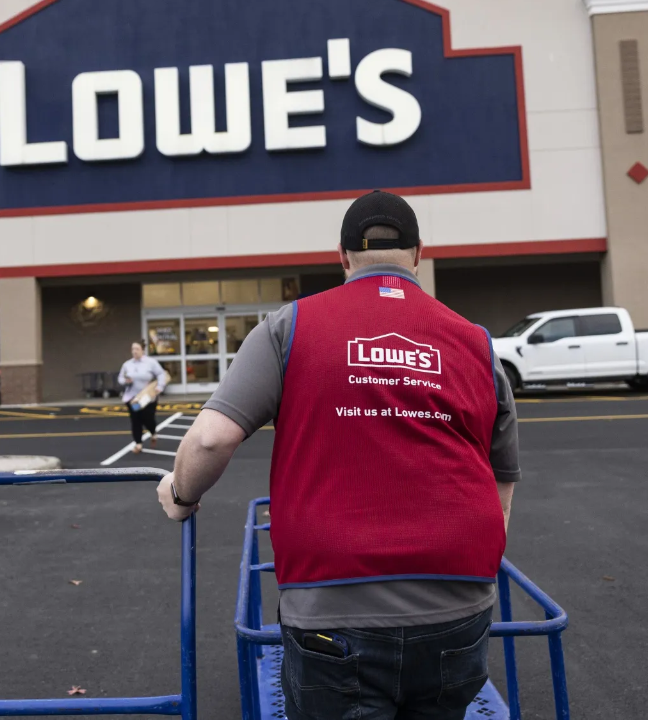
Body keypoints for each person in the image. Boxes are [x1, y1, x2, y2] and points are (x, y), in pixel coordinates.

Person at [155, 191, 520, 720]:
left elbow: (212, 439)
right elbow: (500, 480)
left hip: (333, 607)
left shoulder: (290, 327)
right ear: (419, 254)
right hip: (458, 606)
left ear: (343, 257)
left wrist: (181, 492)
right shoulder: (476, 343)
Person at [118, 340, 168, 454]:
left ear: (142, 350)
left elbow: (161, 374)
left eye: (137, 349)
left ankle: (153, 432)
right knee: (136, 420)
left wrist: (160, 386)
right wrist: (125, 381)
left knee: (148, 419)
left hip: (147, 397)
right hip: (133, 398)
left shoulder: (150, 362)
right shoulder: (127, 364)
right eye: (133, 349)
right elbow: (120, 378)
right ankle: (138, 444)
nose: (134, 351)